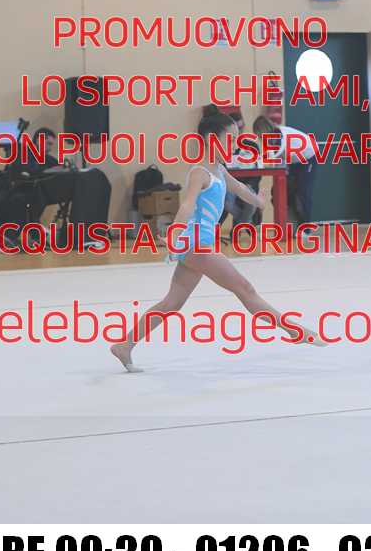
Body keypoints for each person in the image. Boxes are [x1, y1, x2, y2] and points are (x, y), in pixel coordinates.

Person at [111, 110, 324, 372]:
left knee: (171, 303)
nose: (235, 143)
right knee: (245, 289)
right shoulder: (199, 173)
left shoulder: (219, 169)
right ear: (212, 139)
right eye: (230, 138)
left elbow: (240, 188)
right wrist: (176, 233)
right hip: (196, 243)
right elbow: (187, 205)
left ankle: (124, 345)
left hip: (197, 244)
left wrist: (259, 201)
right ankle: (294, 331)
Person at [254, 114, 317, 226]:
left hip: (309, 156)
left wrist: (259, 160)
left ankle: (306, 228)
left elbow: (275, 155)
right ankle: (291, 222)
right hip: (294, 160)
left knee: (303, 193)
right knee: (277, 193)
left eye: (259, 134)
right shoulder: (271, 139)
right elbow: (277, 159)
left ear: (264, 130)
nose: (259, 138)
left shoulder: (280, 135)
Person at [222, 110, 262, 239]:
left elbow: (259, 170)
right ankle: (247, 223)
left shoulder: (252, 145)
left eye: (241, 127)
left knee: (251, 202)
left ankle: (238, 225)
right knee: (227, 202)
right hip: (231, 185)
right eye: (236, 128)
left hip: (249, 183)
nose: (239, 131)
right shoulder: (223, 147)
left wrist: (251, 185)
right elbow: (221, 170)